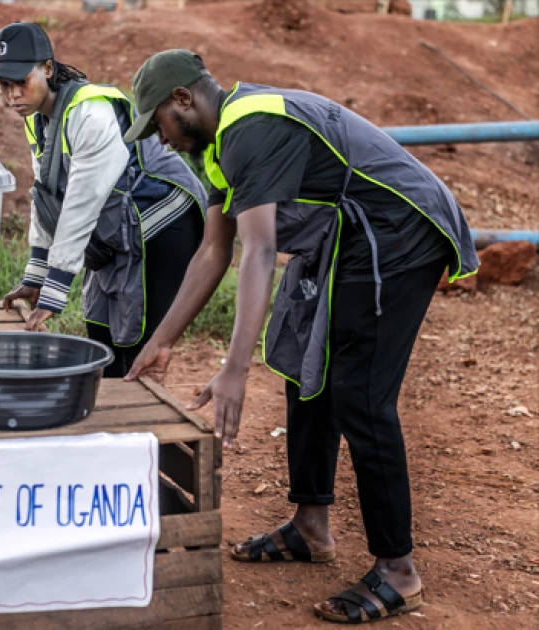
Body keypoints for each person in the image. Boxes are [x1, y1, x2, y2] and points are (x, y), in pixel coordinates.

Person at [121, 49, 479, 624]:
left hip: (398, 229)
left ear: (182, 99)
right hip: (348, 233)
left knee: (360, 394)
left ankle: (399, 571)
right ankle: (311, 526)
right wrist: (161, 341)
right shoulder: (216, 149)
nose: (159, 140)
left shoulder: (249, 128)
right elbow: (214, 251)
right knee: (305, 369)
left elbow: (260, 251)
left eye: (157, 122)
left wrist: (235, 368)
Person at [0, 22, 209, 377]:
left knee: (137, 344)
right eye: (4, 85)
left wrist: (54, 291)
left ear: (47, 69)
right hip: (117, 228)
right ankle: (117, 424)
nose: (13, 95)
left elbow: (80, 204)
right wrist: (36, 275)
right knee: (100, 336)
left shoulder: (91, 114)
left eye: (20, 82)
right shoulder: (38, 120)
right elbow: (46, 196)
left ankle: (145, 428)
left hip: (162, 222)